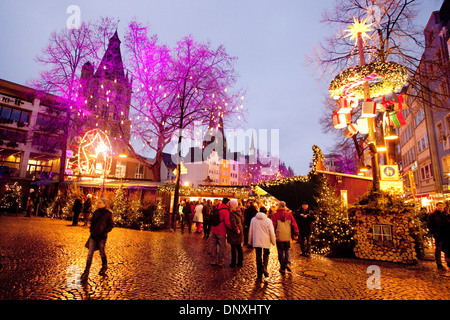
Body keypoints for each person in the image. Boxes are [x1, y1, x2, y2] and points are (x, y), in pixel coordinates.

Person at [81, 198, 114, 281]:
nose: (98, 204)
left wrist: (105, 231)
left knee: (102, 252)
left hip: (102, 237)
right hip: (93, 236)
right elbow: (92, 222)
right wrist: (91, 229)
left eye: (100, 203)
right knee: (90, 254)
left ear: (104, 204)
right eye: (98, 202)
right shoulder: (96, 212)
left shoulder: (108, 213)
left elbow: (111, 224)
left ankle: (104, 266)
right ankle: (86, 271)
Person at [248, 206, 276, 279]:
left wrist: (250, 241)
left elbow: (250, 232)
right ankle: (264, 267)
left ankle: (259, 273)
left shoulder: (253, 220)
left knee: (258, 257)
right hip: (266, 241)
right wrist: (273, 242)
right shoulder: (268, 221)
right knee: (266, 254)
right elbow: (271, 232)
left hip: (256, 240)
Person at [272, 201, 299, 274]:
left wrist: (272, 234)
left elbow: (273, 226)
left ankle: (282, 267)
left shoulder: (275, 215)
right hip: (287, 236)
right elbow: (294, 224)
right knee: (287, 250)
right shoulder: (289, 215)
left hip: (279, 236)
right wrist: (296, 233)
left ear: (280, 206)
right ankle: (288, 263)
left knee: (280, 251)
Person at [427, 202, 450, 270]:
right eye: (439, 206)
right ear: (436, 206)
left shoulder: (445, 214)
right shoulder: (433, 215)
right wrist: (433, 232)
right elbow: (429, 224)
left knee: (446, 248)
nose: (441, 207)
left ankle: (447, 262)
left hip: (446, 234)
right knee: (438, 248)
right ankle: (439, 263)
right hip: (438, 234)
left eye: (442, 206)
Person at [210, 197, 231, 267]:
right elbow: (227, 223)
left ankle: (213, 260)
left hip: (213, 229)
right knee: (222, 247)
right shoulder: (225, 211)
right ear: (226, 203)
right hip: (221, 231)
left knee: (213, 245)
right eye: (228, 203)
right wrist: (233, 228)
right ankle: (220, 261)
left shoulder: (217, 207)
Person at [227, 199, 244, 267]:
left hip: (235, 233)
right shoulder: (239, 212)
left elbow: (233, 224)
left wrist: (235, 230)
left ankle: (233, 263)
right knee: (239, 247)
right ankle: (240, 262)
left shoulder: (232, 214)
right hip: (240, 231)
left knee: (233, 248)